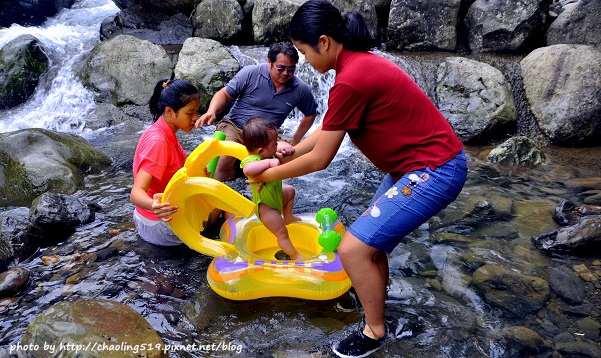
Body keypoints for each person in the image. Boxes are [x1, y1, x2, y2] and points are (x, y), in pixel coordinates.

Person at [250, 1, 468, 357]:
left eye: (304, 52)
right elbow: (325, 134)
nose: (303, 61)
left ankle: (374, 332)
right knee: (370, 247)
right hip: (409, 170)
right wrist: (288, 150)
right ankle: (377, 308)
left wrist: (268, 174)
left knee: (352, 249)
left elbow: (322, 160)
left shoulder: (351, 79)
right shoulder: (356, 68)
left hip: (435, 169)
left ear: (323, 42)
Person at [195, 41, 318, 181]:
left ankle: (254, 196)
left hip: (264, 135)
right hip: (234, 126)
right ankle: (220, 192)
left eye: (291, 69)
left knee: (286, 155)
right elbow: (223, 94)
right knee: (225, 157)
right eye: (281, 68)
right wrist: (212, 111)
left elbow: (310, 114)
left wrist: (295, 139)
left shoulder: (301, 89)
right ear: (269, 62)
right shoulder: (250, 73)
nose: (285, 73)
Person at [130, 79, 201, 246]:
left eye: (196, 112)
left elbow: (187, 164)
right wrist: (154, 205)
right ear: (170, 111)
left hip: (149, 219)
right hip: (158, 226)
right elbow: (136, 193)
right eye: (190, 113)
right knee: (219, 209)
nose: (195, 118)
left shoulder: (165, 130)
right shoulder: (159, 142)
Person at [240, 117, 304, 260]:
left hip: (277, 196)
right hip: (266, 208)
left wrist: (284, 147)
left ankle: (288, 216)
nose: (277, 146)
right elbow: (247, 170)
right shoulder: (252, 160)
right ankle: (295, 255)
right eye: (274, 144)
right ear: (261, 151)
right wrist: (269, 163)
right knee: (282, 233)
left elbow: (279, 147)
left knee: (290, 191)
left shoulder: (268, 152)